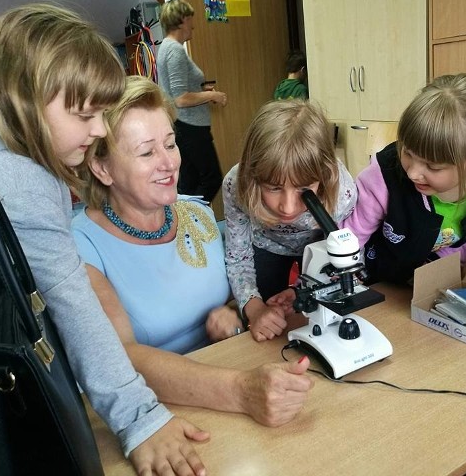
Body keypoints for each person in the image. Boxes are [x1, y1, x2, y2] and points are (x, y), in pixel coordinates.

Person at [0, 4, 209, 476]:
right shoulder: (18, 179)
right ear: (23, 98)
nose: (98, 129)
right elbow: (73, 306)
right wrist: (140, 420)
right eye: (84, 114)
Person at [72, 75, 314, 426]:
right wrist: (241, 390)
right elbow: (118, 359)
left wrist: (236, 314)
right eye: (146, 151)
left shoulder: (197, 214)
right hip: (156, 414)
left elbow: (239, 289)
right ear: (102, 167)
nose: (169, 163)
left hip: (232, 382)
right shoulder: (82, 245)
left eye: (170, 145)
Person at [342, 73, 466, 284]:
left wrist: (439, 267)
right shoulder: (383, 176)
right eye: (407, 153)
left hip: (433, 280)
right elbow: (349, 239)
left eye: (433, 166)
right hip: (378, 279)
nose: (412, 173)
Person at [223, 99, 357, 342]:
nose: (288, 207)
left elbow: (340, 263)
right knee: (269, 323)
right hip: (265, 246)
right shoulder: (236, 185)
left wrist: (301, 289)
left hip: (318, 248)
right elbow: (238, 256)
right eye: (273, 188)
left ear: (324, 175)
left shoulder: (343, 193)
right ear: (253, 176)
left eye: (304, 189)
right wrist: (255, 309)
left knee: (310, 312)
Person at [157, 0, 227, 203]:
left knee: (188, 183)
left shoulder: (168, 47)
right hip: (190, 126)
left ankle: (186, 226)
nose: (193, 25)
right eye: (190, 19)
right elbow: (180, 99)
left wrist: (201, 90)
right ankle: (193, 221)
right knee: (211, 178)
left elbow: (177, 90)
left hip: (183, 125)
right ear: (182, 20)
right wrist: (213, 95)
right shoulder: (175, 51)